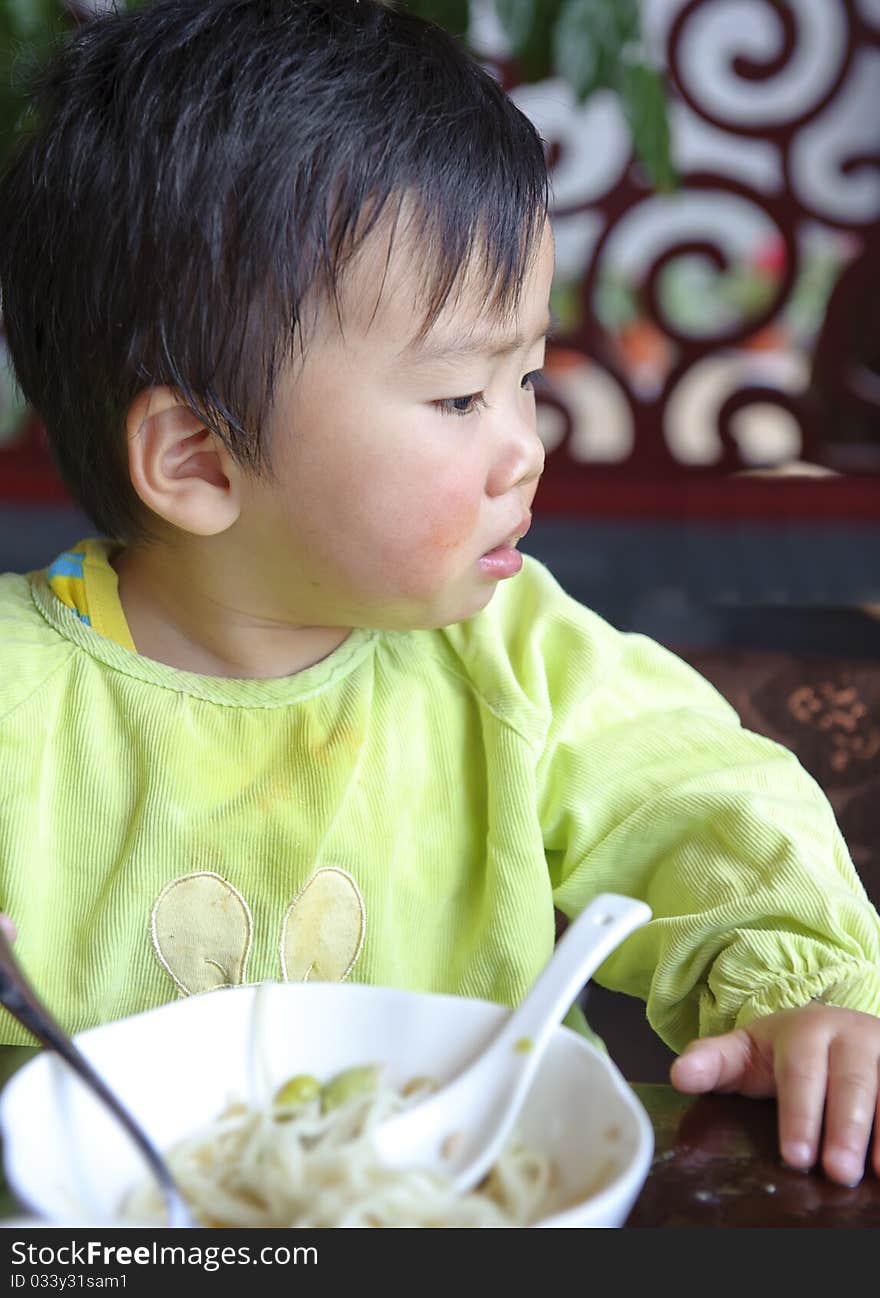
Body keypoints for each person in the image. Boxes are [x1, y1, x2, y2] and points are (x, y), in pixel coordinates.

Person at [0, 0, 877, 1193]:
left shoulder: (514, 656)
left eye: (525, 374)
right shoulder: (20, 700)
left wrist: (806, 998)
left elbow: (712, 807)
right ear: (200, 460)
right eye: (463, 397)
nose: (525, 444)